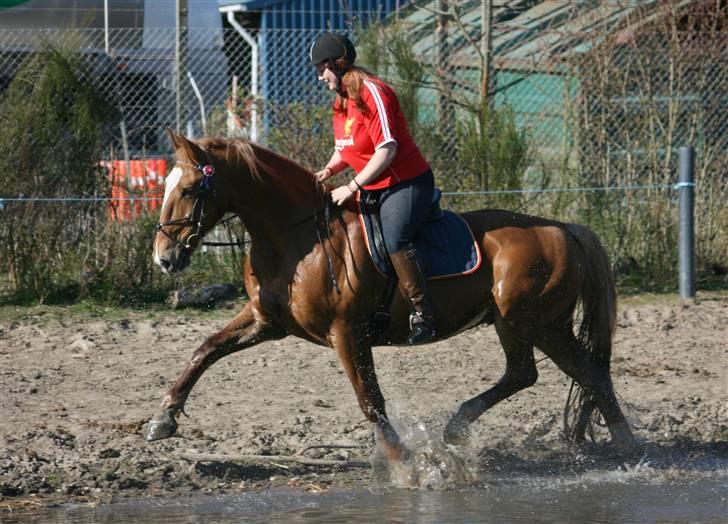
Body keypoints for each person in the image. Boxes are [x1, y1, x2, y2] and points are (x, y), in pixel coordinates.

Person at [309, 32, 437, 345]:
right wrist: (328, 170)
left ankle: (424, 314)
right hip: (374, 184)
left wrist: (351, 185)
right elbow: (346, 147)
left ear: (335, 64)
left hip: (405, 183)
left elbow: (387, 149)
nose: (319, 76)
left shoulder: (373, 92)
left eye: (320, 69)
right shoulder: (341, 101)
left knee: (395, 239)